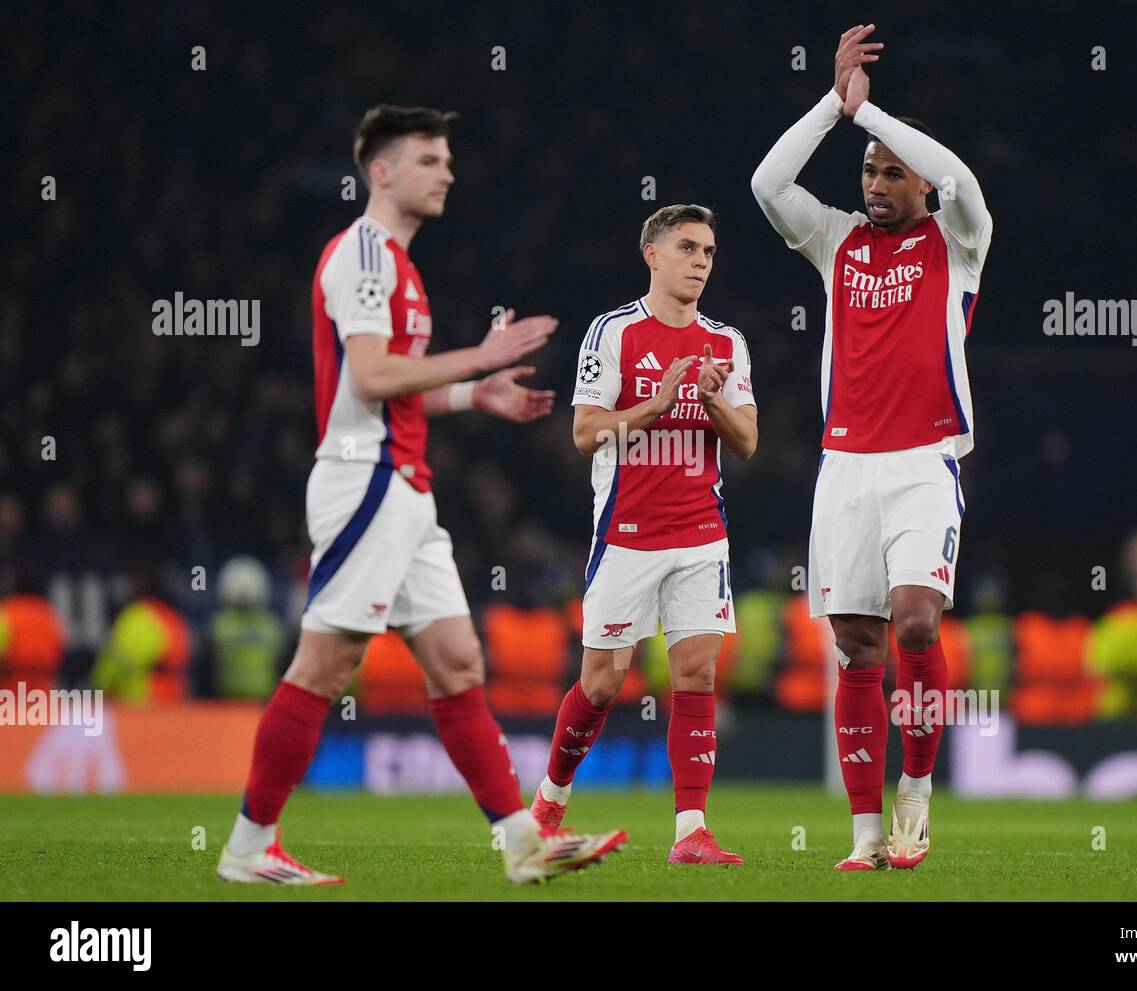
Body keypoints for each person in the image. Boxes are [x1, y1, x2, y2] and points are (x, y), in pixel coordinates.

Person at [217, 105, 625, 886]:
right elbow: (370, 377)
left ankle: (520, 844)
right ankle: (245, 846)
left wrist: (478, 396)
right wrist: (479, 355)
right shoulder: (364, 255)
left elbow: (387, 389)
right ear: (382, 170)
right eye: (431, 160)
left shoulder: (401, 267)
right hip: (364, 479)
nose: (448, 173)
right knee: (324, 665)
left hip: (404, 483)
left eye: (447, 160)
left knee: (457, 660)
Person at [751, 25, 992, 870]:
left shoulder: (958, 243)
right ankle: (863, 837)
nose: (877, 183)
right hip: (844, 467)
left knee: (916, 624)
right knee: (858, 646)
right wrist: (833, 103)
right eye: (869, 171)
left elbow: (959, 178)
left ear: (920, 180)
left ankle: (917, 794)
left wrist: (873, 116)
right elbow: (766, 181)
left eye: (893, 171)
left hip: (924, 463)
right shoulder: (837, 242)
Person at [530, 204, 758, 864]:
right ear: (652, 254)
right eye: (688, 247)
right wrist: (658, 402)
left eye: (710, 251)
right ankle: (548, 805)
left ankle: (691, 831)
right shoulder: (614, 332)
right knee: (603, 681)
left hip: (700, 533)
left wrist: (711, 399)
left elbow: (746, 443)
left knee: (696, 673)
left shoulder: (728, 343)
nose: (701, 261)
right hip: (626, 533)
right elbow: (583, 432)